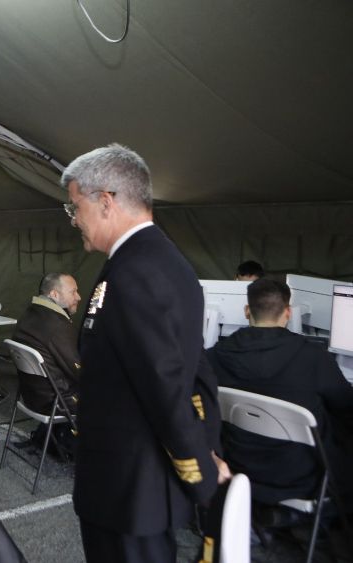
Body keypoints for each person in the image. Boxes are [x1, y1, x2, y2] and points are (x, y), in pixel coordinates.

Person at [64, 144, 229, 562]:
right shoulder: (137, 261)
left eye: (75, 208)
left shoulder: (141, 270)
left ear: (105, 201)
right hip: (122, 485)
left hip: (133, 491)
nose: (74, 221)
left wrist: (202, 473)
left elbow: (169, 383)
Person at [207, 278, 353, 507]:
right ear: (288, 313)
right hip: (303, 478)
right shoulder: (313, 358)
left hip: (239, 469)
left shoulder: (214, 358)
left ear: (247, 311)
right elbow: (346, 406)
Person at [11, 272, 81, 415]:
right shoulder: (56, 325)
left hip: (32, 397)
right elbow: (79, 371)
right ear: (54, 295)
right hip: (59, 401)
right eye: (73, 292)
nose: (78, 297)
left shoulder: (30, 314)